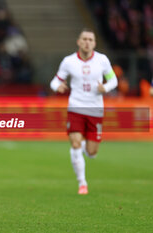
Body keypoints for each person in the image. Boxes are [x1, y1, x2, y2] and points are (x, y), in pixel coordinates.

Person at [50, 28, 118, 195]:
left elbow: (114, 80)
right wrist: (57, 86)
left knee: (91, 151)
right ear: (79, 42)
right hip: (76, 107)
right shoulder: (69, 61)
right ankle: (82, 183)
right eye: (84, 39)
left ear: (94, 43)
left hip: (95, 110)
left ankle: (84, 151)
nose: (87, 42)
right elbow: (55, 81)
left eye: (90, 40)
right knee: (75, 144)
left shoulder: (102, 60)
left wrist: (106, 87)